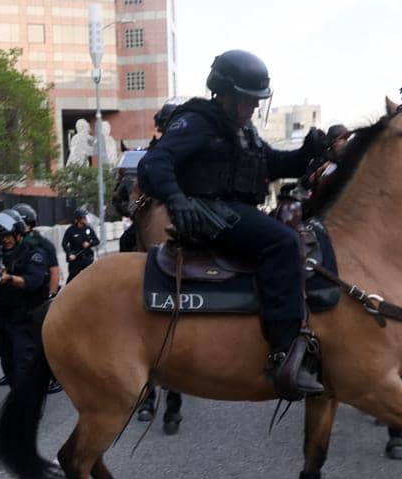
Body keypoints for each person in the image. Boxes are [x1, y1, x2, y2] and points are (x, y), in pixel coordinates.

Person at [137, 49, 328, 399]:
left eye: (256, 101)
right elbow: (155, 162)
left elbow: (273, 163)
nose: (251, 108)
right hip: (209, 211)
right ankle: (285, 353)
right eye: (245, 100)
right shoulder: (196, 122)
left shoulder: (243, 130)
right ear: (223, 93)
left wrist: (307, 152)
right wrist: (177, 199)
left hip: (237, 210)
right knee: (282, 243)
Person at [0, 210, 49, 392]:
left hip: (26, 319)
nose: (4, 240)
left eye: (7, 236)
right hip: (5, 318)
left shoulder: (33, 253)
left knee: (24, 364)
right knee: (8, 365)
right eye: (0, 238)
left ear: (18, 233)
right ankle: (19, 398)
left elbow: (33, 282)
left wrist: (10, 278)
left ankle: (28, 405)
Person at [12, 203, 60, 297]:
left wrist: (52, 295)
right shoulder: (7, 244)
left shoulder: (43, 245)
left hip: (33, 297)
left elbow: (54, 271)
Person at [61, 208, 100, 282]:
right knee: (72, 280)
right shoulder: (70, 230)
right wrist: (69, 254)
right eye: (84, 217)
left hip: (87, 259)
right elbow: (64, 243)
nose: (86, 219)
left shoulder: (88, 229)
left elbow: (97, 241)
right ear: (78, 219)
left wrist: (89, 244)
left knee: (91, 279)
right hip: (75, 260)